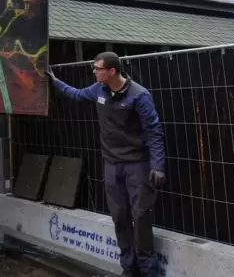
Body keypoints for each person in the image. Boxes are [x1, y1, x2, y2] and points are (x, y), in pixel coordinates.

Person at [48, 52, 165, 277]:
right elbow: (77, 94)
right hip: (111, 164)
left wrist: (157, 166)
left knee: (140, 216)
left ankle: (148, 270)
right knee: (119, 215)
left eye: (97, 68)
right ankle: (129, 268)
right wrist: (55, 81)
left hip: (136, 165)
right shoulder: (98, 90)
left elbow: (154, 132)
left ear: (112, 71)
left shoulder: (139, 96)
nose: (94, 72)